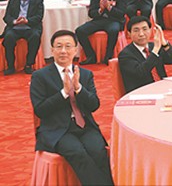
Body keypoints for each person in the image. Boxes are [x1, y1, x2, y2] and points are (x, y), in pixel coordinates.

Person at [30, 30, 113, 185]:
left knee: (99, 151)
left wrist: (78, 88)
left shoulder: (85, 74)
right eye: (59, 46)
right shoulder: (40, 76)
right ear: (52, 50)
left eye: (68, 46)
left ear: (75, 50)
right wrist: (63, 93)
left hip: (85, 126)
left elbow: (94, 105)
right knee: (78, 153)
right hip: (57, 129)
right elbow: (40, 110)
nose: (63, 51)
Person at [77, 0, 126, 65]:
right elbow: (91, 13)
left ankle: (108, 56)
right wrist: (100, 10)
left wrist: (109, 8)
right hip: (99, 20)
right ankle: (91, 56)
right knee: (80, 31)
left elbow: (122, 13)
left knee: (113, 30)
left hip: (114, 20)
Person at [117, 16, 172, 93]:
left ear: (150, 30)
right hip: (142, 93)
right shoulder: (125, 54)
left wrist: (164, 43)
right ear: (129, 34)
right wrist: (155, 51)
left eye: (145, 29)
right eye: (136, 30)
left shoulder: (153, 46)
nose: (141, 34)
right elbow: (141, 72)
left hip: (163, 89)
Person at [2, 0, 43, 74]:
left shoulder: (38, 1)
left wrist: (27, 21)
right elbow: (6, 17)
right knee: (8, 38)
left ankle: (29, 64)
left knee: (35, 37)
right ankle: (10, 66)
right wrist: (14, 21)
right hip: (15, 27)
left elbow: (39, 17)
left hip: (30, 27)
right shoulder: (12, 1)